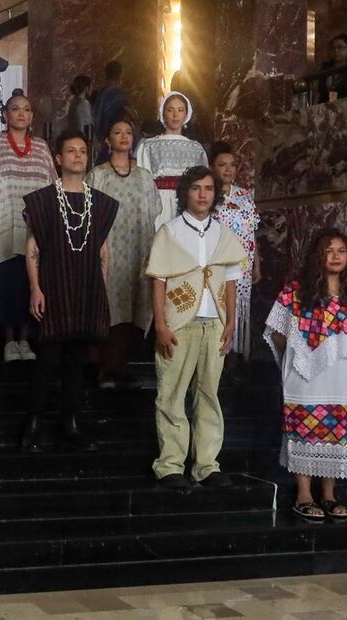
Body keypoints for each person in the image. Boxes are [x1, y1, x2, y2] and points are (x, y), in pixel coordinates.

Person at [146, 165, 246, 489]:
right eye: (196, 188)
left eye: (208, 188)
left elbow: (231, 282)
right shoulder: (170, 231)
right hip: (179, 325)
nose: (202, 194)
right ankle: (171, 465)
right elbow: (158, 281)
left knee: (209, 395)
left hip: (212, 324)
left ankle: (206, 465)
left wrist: (230, 322)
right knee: (171, 395)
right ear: (185, 192)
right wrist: (160, 324)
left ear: (215, 194)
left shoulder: (223, 234)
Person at [21, 131, 118, 454]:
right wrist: (35, 288)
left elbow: (104, 250)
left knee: (77, 360)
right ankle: (34, 422)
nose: (78, 156)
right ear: (58, 158)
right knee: (47, 359)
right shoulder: (44, 200)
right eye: (70, 151)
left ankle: (70, 422)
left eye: (82, 151)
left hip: (86, 288)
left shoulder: (100, 203)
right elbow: (32, 246)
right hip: (54, 285)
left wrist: (100, 289)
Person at [264, 229, 347, 521]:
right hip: (305, 377)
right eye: (329, 250)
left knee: (336, 429)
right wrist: (300, 356)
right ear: (317, 255)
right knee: (305, 426)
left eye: (341, 250)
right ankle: (304, 493)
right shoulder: (296, 292)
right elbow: (276, 332)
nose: (336, 256)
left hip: (341, 377)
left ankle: (329, 494)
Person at [0, 94, 57, 362]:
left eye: (26, 110)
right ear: (5, 115)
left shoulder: (42, 148)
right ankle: (9, 341)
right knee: (7, 283)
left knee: (29, 282)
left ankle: (25, 339)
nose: (21, 114)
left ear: (32, 117)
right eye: (15, 109)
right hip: (4, 223)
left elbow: (53, 188)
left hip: (33, 230)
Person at [85, 119, 159, 386]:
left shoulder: (144, 176)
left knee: (135, 306)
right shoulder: (98, 175)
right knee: (110, 306)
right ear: (108, 140)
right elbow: (89, 216)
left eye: (129, 132)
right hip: (109, 251)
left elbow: (154, 212)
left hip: (139, 249)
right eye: (117, 132)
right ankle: (104, 368)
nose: (124, 137)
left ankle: (121, 367)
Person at [210, 142, 260, 362]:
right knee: (219, 306)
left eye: (232, 165)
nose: (228, 170)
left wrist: (256, 263)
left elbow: (251, 232)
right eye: (222, 165)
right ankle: (216, 356)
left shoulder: (245, 196)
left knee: (239, 309)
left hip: (243, 264)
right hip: (217, 264)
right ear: (213, 167)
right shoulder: (208, 195)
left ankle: (234, 360)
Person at [135, 91, 209, 231]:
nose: (175, 115)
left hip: (188, 202)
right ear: (163, 113)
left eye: (180, 110)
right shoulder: (149, 146)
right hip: (158, 202)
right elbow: (143, 181)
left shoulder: (196, 148)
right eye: (170, 110)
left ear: (186, 115)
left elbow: (203, 181)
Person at [92, 60, 128, 143]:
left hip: (101, 139)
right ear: (121, 75)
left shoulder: (101, 93)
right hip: (114, 141)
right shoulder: (118, 95)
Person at [318, 33, 347, 103]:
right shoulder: (325, 68)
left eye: (340, 47)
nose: (336, 51)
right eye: (333, 48)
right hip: (326, 108)